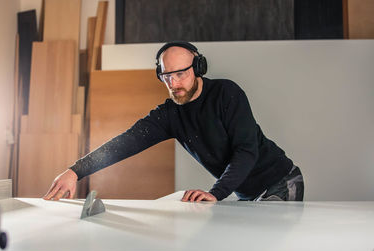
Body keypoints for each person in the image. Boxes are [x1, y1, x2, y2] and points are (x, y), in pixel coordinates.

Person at [43, 41, 304, 203]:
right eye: (167, 76)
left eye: (181, 74)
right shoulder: (169, 115)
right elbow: (125, 142)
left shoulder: (227, 93)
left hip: (279, 181)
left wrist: (216, 192)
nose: (175, 83)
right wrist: (75, 171)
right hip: (246, 192)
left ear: (198, 67)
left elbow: (247, 150)